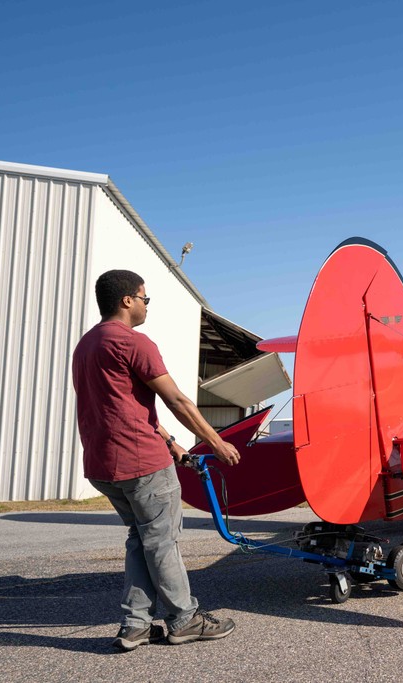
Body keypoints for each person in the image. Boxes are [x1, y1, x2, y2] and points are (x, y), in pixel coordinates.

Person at [72, 269, 242, 651]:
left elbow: (124, 406)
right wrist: (215, 442)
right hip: (141, 464)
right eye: (145, 299)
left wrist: (171, 443)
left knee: (141, 539)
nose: (147, 306)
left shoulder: (86, 345)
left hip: (103, 465)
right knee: (162, 542)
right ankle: (184, 619)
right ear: (127, 300)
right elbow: (177, 399)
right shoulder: (133, 342)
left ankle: (135, 625)